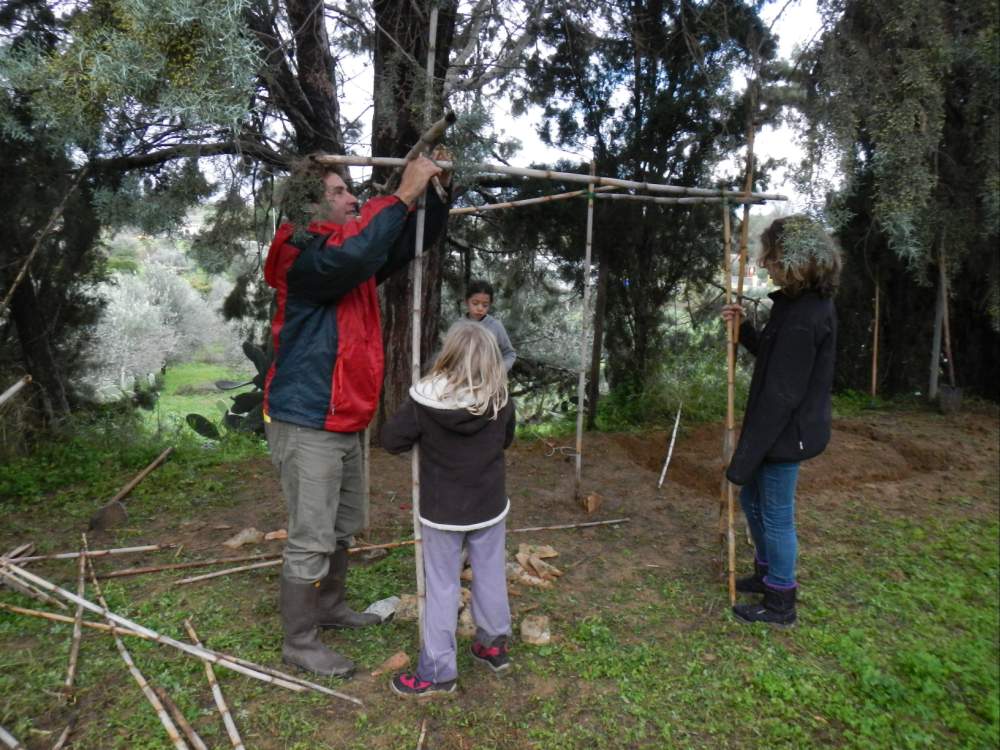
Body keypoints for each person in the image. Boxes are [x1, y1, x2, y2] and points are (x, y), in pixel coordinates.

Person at [262, 152, 451, 676]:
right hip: (308, 418)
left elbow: (403, 243)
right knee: (311, 535)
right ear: (311, 205)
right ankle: (300, 641)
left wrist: (435, 191)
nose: (352, 198)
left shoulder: (346, 257)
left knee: (342, 526)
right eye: (339, 191)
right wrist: (403, 192)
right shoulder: (301, 254)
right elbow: (358, 250)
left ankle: (329, 607)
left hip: (342, 415)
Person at [381, 320, 516, 697]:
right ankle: (492, 645)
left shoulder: (425, 401)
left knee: (442, 586)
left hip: (443, 511)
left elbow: (391, 440)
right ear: (491, 358)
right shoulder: (500, 399)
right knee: (490, 574)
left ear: (448, 354)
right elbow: (506, 440)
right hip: (488, 504)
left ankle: (439, 672)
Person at [721, 215, 841, 627]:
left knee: (775, 514)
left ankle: (780, 602)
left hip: (785, 432)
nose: (764, 264)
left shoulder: (806, 316)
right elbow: (776, 359)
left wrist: (748, 454)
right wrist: (744, 331)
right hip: (777, 426)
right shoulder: (794, 307)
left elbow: (782, 393)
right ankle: (767, 573)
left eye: (770, 257)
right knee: (753, 502)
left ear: (796, 261)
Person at [464, 280, 516, 372]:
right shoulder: (457, 326)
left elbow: (509, 353)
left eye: (485, 305)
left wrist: (500, 371)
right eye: (475, 303)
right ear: (466, 302)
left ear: (490, 305)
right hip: (462, 378)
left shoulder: (495, 326)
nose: (480, 308)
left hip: (489, 378)